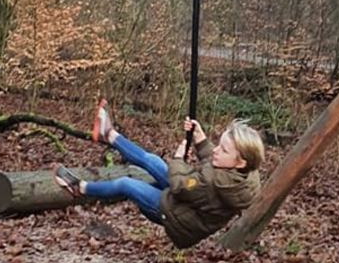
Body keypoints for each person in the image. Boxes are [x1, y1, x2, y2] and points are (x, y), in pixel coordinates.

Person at [53, 99, 264, 249]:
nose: (216, 150)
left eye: (224, 150)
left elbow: (179, 185)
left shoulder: (212, 183)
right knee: (152, 160)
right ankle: (109, 135)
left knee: (127, 184)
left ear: (241, 161)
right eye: (219, 144)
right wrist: (200, 139)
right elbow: (214, 161)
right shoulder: (245, 171)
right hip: (187, 200)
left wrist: (178, 158)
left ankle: (80, 188)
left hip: (175, 216)